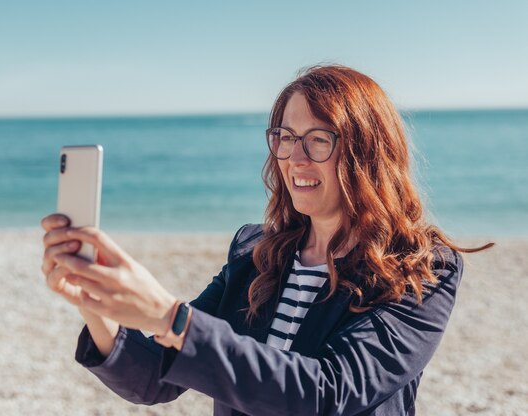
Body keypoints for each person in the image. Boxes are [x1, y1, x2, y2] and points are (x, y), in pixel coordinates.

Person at [40, 64, 492, 415]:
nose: (294, 158)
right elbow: (156, 378)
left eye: (318, 140)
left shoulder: (422, 268)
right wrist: (95, 302)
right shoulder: (255, 253)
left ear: (367, 152)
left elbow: (327, 393)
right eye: (285, 137)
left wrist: (167, 315)